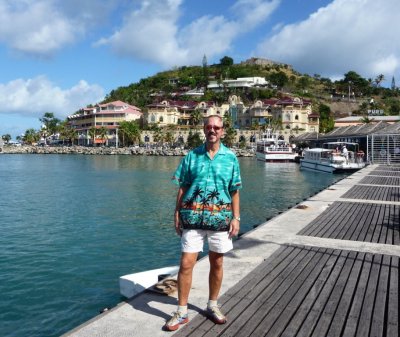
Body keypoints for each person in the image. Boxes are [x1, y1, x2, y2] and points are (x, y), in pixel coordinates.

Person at [165, 115, 242, 331]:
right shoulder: (192, 156)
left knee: (217, 262)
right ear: (203, 129)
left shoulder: (231, 158)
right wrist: (177, 213)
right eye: (209, 127)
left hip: (220, 219)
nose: (212, 130)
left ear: (223, 131)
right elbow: (182, 187)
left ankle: (212, 305)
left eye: (216, 127)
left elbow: (235, 190)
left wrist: (236, 218)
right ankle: (181, 311)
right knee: (186, 263)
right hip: (192, 217)